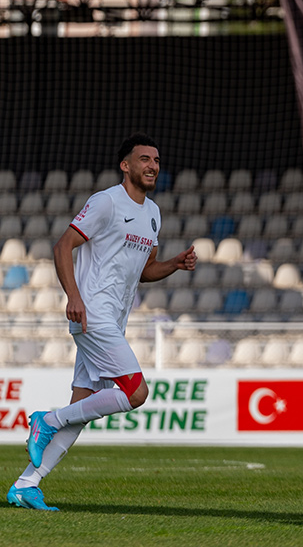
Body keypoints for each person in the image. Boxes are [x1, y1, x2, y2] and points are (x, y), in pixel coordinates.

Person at [6, 134, 197, 511]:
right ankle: (47, 420)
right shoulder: (106, 201)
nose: (152, 166)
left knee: (85, 404)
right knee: (135, 392)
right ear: (125, 165)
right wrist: (73, 296)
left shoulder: (153, 213)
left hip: (113, 318)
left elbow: (145, 271)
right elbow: (63, 246)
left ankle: (27, 484)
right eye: (144, 159)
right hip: (91, 312)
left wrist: (173, 264)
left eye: (156, 160)